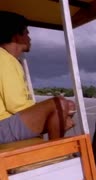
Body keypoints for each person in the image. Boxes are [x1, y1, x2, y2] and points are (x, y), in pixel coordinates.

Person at [0, 11, 76, 145]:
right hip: (3, 128)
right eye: (27, 33)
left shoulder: (10, 60)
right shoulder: (3, 59)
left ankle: (56, 150)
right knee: (59, 104)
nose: (30, 38)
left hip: (8, 125)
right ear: (17, 36)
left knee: (64, 107)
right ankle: (57, 152)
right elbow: (16, 105)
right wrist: (56, 112)